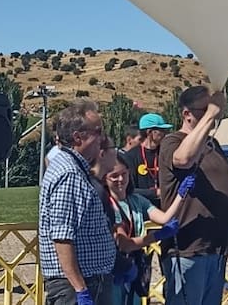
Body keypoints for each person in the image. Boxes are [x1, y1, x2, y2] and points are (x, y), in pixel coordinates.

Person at [157, 86, 228, 305]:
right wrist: (212, 114)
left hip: (215, 247)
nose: (214, 114)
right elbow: (183, 159)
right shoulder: (172, 141)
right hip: (187, 248)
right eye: (205, 109)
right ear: (187, 114)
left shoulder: (213, 144)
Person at [39, 100, 117, 305]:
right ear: (77, 137)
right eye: (98, 131)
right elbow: (62, 237)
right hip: (78, 285)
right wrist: (80, 289)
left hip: (86, 281)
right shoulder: (69, 174)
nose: (102, 138)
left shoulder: (73, 168)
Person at [105, 158, 191, 305]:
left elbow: (164, 218)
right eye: (114, 176)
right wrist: (156, 236)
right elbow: (125, 244)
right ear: (104, 179)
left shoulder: (137, 200)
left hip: (135, 265)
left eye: (124, 174)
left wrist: (180, 195)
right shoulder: (107, 204)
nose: (120, 179)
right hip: (115, 268)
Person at [124, 113, 172, 208]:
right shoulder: (131, 156)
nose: (165, 134)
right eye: (161, 130)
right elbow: (129, 189)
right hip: (141, 208)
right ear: (150, 132)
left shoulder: (165, 153)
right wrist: (154, 193)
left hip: (164, 207)